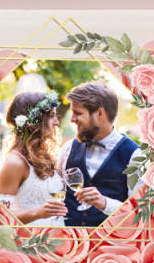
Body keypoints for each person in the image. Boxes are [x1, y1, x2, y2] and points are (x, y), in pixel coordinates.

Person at [58, 82, 143, 227]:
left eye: (78, 113)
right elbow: (56, 192)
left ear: (100, 114)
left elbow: (139, 213)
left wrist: (105, 203)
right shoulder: (68, 148)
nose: (72, 119)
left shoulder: (135, 156)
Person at [0, 91, 68, 227]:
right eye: (52, 116)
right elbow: (0, 218)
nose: (57, 122)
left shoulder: (43, 155)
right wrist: (37, 213)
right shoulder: (15, 162)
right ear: (36, 121)